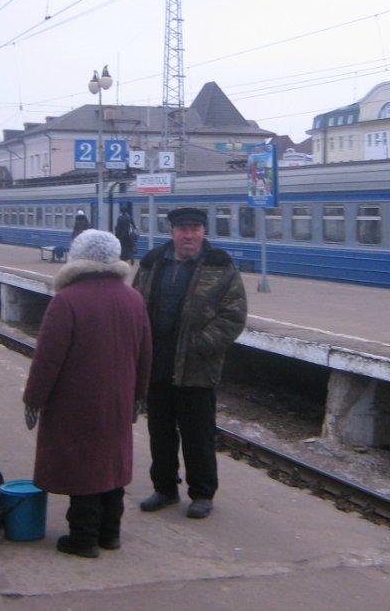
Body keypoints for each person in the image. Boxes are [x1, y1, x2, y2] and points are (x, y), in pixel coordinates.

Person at [22, 229, 152, 558]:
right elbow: (146, 352)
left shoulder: (67, 300)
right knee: (111, 463)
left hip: (75, 401)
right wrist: (139, 394)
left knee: (84, 467)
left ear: (77, 257)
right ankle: (110, 534)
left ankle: (83, 538)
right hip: (118, 399)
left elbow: (48, 358)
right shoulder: (133, 299)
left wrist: (33, 398)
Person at [132, 206, 247, 520]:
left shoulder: (219, 266)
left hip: (197, 366)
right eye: (183, 230)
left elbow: (234, 315)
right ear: (172, 232)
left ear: (203, 232)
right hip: (157, 364)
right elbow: (133, 304)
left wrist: (201, 345)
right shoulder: (152, 263)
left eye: (195, 230)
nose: (189, 236)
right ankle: (165, 489)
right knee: (161, 432)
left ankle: (202, 494)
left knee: (198, 435)